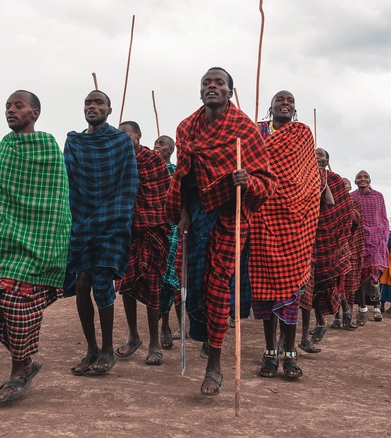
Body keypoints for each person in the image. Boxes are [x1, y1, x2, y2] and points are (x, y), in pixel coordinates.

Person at [166, 67, 275, 395]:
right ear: (200, 91)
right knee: (194, 285)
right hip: (197, 215)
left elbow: (266, 182)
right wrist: (183, 213)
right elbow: (184, 177)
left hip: (230, 215)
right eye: (206, 83)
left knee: (218, 286)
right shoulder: (186, 127)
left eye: (219, 83)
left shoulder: (245, 128)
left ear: (230, 91)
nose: (212, 87)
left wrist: (248, 180)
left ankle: (214, 364)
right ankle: (206, 336)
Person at [0, 90, 71, 403]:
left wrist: (50, 239)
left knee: (16, 303)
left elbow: (54, 200)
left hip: (37, 244)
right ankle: (26, 360)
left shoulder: (48, 147)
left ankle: (17, 372)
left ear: (35, 113)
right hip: (6, 241)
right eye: (7, 106)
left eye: (18, 105)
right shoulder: (5, 146)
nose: (11, 110)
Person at [64, 90, 138, 376]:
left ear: (109, 110)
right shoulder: (74, 142)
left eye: (98, 103)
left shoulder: (120, 142)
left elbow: (128, 183)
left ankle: (108, 350)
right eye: (87, 102)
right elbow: (65, 180)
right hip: (81, 221)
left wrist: (118, 218)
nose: (92, 106)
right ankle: (91, 348)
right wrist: (70, 217)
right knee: (82, 283)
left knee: (102, 282)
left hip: (111, 222)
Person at [248, 90, 321, 379]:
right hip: (264, 218)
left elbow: (309, 179)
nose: (285, 104)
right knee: (266, 292)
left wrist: (304, 208)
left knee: (290, 291)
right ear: (271, 106)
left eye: (290, 101)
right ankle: (269, 351)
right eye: (280, 100)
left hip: (295, 223)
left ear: (295, 109)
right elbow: (250, 166)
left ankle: (290, 354)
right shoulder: (257, 131)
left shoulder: (302, 133)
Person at [115, 121, 172, 366]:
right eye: (119, 136)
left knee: (153, 286)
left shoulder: (153, 160)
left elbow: (165, 194)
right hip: (127, 231)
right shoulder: (116, 161)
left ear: (138, 135)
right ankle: (133, 336)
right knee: (126, 284)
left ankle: (154, 343)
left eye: (127, 135)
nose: (124, 139)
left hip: (153, 229)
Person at [299, 148, 352, 353]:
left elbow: (336, 207)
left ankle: (320, 323)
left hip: (327, 242)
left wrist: (322, 179)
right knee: (306, 290)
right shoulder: (301, 176)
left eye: (321, 155)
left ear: (328, 161)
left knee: (319, 289)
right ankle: (304, 336)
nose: (317, 157)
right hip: (305, 239)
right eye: (313, 155)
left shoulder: (336, 181)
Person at [349, 170, 389, 325]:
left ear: (370, 180)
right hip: (358, 238)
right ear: (355, 181)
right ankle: (363, 310)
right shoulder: (351, 197)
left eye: (365, 177)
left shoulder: (378, 196)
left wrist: (384, 236)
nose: (362, 179)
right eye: (359, 177)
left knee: (376, 270)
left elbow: (383, 217)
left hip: (377, 237)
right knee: (359, 276)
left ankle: (377, 307)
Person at [154, 135, 182, 349]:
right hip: (153, 227)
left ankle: (168, 325)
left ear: (171, 150)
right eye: (156, 143)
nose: (157, 146)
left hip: (172, 229)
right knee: (156, 279)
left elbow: (182, 201)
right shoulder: (147, 170)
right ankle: (162, 326)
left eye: (162, 144)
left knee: (170, 278)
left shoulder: (175, 172)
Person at [335, 177, 364, 330]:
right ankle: (337, 318)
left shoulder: (355, 203)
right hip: (334, 248)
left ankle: (348, 316)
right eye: (340, 184)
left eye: (345, 184)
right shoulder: (331, 201)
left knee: (350, 286)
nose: (343, 186)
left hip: (351, 248)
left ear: (350, 187)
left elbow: (355, 220)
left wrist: (344, 205)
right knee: (334, 284)